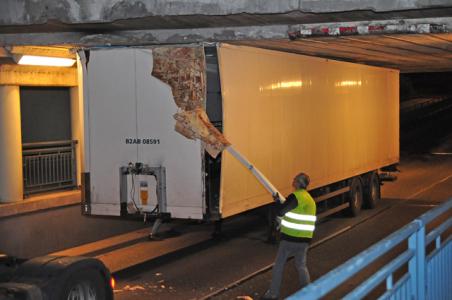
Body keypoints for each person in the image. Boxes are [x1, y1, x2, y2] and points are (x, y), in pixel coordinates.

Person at [262, 172, 317, 300]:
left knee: (279, 265)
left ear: (298, 183)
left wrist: (277, 203)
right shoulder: (310, 199)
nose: (293, 181)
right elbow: (294, 210)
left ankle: (273, 293)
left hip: (290, 238)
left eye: (295, 179)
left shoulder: (296, 196)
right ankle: (308, 291)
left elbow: (282, 210)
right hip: (305, 240)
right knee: (301, 265)